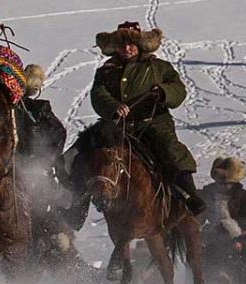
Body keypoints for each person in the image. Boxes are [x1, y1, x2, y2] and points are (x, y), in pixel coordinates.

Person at [82, 23, 201, 212]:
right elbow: (98, 94)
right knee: (82, 153)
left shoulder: (159, 67)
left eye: (131, 44)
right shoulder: (105, 71)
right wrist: (113, 106)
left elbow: (178, 90)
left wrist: (163, 92)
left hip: (152, 123)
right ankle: (75, 206)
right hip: (118, 127)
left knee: (170, 150)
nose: (126, 49)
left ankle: (190, 197)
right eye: (122, 45)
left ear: (140, 45)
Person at [201, 156, 246, 284]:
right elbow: (200, 216)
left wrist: (233, 228)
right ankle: (202, 281)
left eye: (228, 184)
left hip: (242, 232)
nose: (224, 186)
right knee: (199, 250)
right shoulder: (207, 194)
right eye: (222, 184)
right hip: (214, 231)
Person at [16, 64, 68, 163]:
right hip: (31, 161)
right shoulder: (39, 109)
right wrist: (48, 161)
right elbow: (60, 132)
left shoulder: (9, 103)